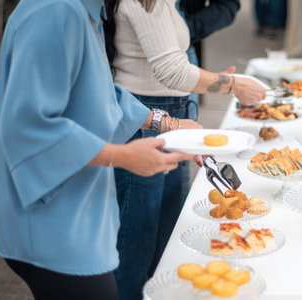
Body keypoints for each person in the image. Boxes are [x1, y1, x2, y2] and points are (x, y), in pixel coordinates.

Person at [0, 0, 199, 299]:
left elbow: (98, 92)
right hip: (50, 222)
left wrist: (168, 123)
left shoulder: (84, 9)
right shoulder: (56, 10)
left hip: (75, 213)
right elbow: (28, 127)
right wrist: (123, 156)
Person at [104, 0, 266, 299]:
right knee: (136, 241)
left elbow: (166, 53)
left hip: (165, 108)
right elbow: (171, 71)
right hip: (148, 115)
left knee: (164, 234)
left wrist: (209, 79)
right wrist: (231, 84)